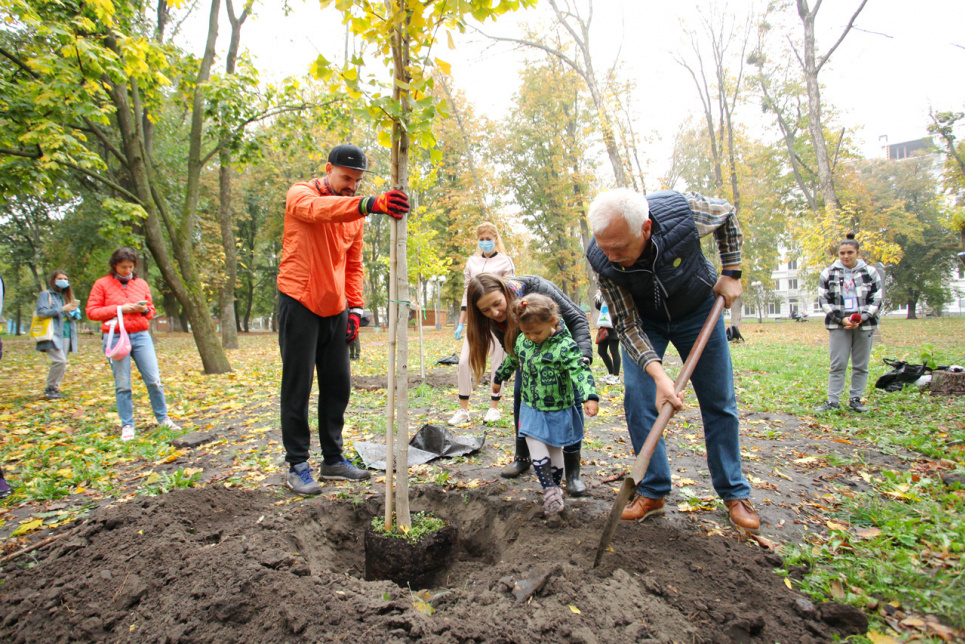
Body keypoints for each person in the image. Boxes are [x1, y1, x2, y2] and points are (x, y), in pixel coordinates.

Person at [585, 188, 759, 534]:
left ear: (646, 228)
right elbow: (627, 324)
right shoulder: (602, 257)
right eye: (605, 248)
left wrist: (733, 271)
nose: (612, 257)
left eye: (620, 248)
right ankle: (652, 492)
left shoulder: (682, 212)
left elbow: (726, 214)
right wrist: (658, 374)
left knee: (719, 401)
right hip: (645, 321)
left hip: (698, 309)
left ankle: (734, 493)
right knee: (638, 398)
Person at [278, 143, 409, 495]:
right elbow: (319, 210)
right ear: (329, 169)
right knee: (298, 386)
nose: (351, 185)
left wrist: (355, 308)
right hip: (299, 300)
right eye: (346, 177)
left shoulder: (355, 215)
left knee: (338, 386)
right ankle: (297, 464)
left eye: (357, 181)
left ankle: (333, 460)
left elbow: (354, 264)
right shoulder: (301, 194)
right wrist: (367, 204)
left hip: (335, 308)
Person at [465, 273, 592, 496]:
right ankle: (522, 458)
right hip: (530, 357)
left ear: (505, 292)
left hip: (562, 357)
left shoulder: (539, 292)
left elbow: (578, 318)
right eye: (486, 311)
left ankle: (573, 474)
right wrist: (501, 375)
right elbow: (512, 350)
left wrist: (581, 359)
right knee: (522, 402)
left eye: (497, 304)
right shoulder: (495, 319)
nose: (494, 313)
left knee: (571, 409)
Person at [494, 294, 598, 514]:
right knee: (533, 439)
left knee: (554, 448)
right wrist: (498, 377)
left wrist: (590, 396)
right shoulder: (523, 341)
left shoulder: (565, 346)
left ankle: (555, 490)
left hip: (558, 407)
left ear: (552, 322)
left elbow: (580, 370)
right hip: (531, 405)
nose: (531, 337)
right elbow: (513, 358)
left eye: (536, 332)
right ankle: (549, 489)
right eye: (526, 332)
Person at [86, 248, 181, 441]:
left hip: (140, 335)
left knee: (154, 379)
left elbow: (151, 310)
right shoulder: (102, 284)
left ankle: (163, 419)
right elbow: (92, 312)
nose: (127, 270)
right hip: (115, 336)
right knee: (123, 384)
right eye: (123, 267)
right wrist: (119, 309)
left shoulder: (141, 283)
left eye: (130, 267)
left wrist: (144, 310)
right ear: (114, 266)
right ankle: (127, 425)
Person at [449, 222, 516, 426]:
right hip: (477, 320)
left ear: (496, 239)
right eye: (481, 239)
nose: (485, 242)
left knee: (498, 361)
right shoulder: (472, 262)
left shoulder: (505, 262)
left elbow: (511, 292)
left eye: (489, 238)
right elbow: (467, 295)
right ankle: (463, 409)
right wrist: (462, 323)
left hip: (497, 319)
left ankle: (494, 408)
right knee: (463, 362)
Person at [815, 234, 883, 413]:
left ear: (857, 253)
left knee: (861, 364)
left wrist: (863, 317)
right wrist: (840, 318)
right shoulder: (828, 273)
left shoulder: (870, 272)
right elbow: (823, 300)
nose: (846, 256)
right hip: (839, 325)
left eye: (850, 252)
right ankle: (832, 401)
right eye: (842, 253)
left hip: (864, 324)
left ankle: (856, 399)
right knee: (838, 364)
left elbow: (877, 299)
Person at [35, 270, 82, 400]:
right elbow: (42, 312)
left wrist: (74, 312)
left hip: (67, 333)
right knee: (59, 360)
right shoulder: (46, 294)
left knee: (63, 362)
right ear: (53, 280)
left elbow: (69, 315)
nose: (63, 281)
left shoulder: (67, 296)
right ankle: (50, 387)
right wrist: (62, 309)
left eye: (65, 279)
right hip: (52, 333)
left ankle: (54, 388)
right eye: (60, 278)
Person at [594, 290, 621, 385]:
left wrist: (605, 294)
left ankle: (616, 376)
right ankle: (611, 373)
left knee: (614, 351)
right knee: (601, 351)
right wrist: (598, 297)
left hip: (613, 327)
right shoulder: (603, 296)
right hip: (603, 327)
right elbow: (598, 307)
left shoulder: (614, 295)